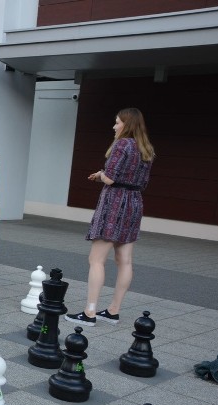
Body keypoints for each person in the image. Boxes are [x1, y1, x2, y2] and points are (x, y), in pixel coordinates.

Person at [66, 108, 155, 327]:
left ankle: (90, 312)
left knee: (96, 260)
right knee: (125, 260)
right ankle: (113, 310)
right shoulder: (147, 149)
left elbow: (111, 179)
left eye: (117, 123)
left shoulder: (122, 144)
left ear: (127, 124)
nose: (114, 127)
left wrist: (100, 175)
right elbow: (142, 183)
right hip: (134, 202)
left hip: (114, 202)